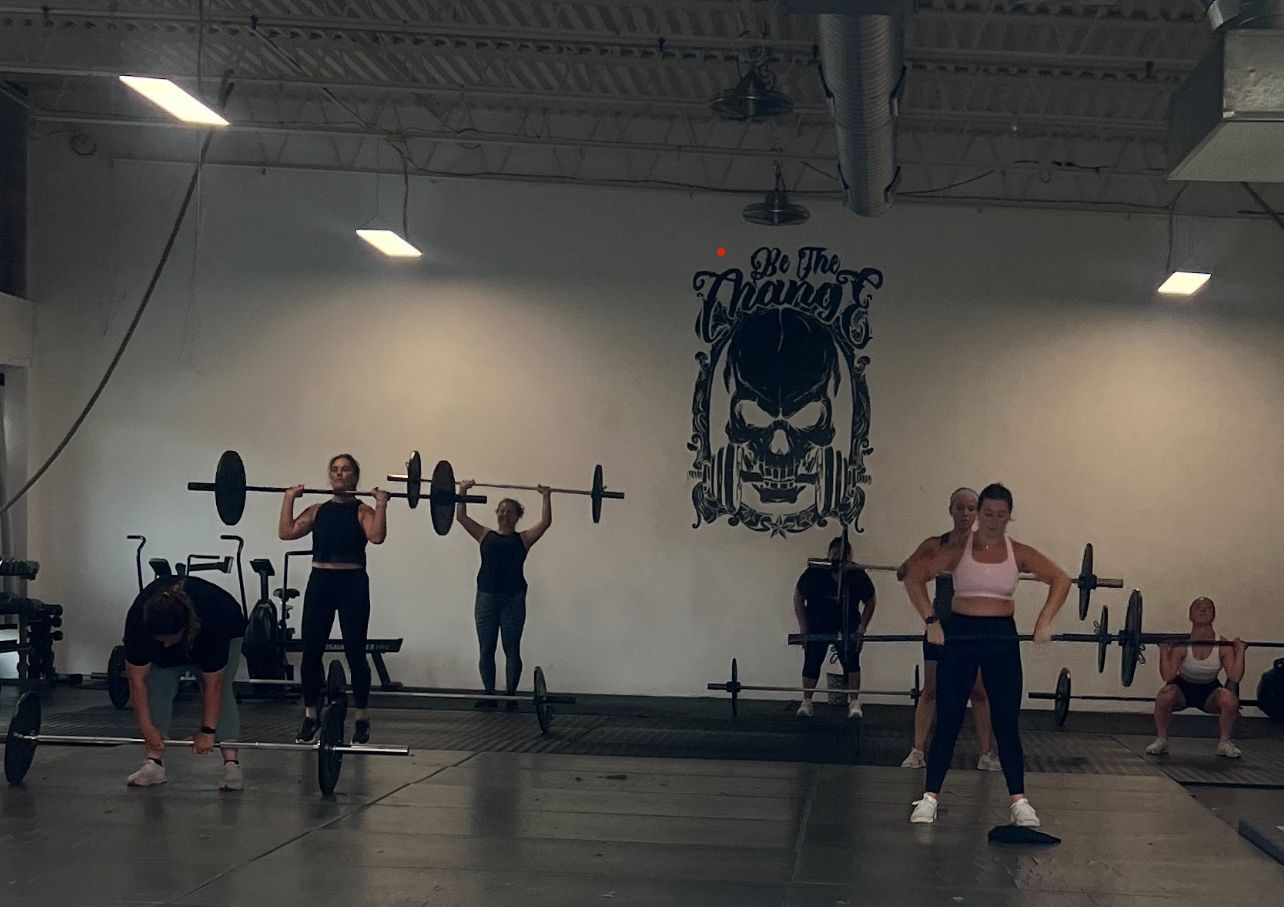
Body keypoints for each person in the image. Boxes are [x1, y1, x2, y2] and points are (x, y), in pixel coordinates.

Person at [903, 483, 1070, 827]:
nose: (994, 521)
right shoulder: (958, 549)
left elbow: (1060, 579)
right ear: (978, 515)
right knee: (949, 717)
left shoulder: (1018, 551)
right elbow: (914, 578)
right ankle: (929, 797)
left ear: (1010, 516)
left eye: (1001, 515)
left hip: (1001, 638)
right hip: (961, 634)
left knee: (1006, 721)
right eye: (988, 514)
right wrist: (931, 620)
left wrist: (1044, 620)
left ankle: (1019, 801)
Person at [279, 453, 388, 744]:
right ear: (330, 476)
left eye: (345, 470)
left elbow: (376, 538)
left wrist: (381, 503)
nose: (339, 474)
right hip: (321, 582)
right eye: (335, 470)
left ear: (355, 476)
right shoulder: (317, 510)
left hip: (352, 583)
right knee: (311, 651)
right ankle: (310, 714)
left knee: (356, 650)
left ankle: (362, 716)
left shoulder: (362, 510)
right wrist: (289, 498)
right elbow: (286, 532)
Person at [896, 488, 999, 771]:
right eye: (959, 508)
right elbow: (906, 572)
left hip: (974, 628)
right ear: (951, 510)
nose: (965, 514)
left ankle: (986, 754)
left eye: (970, 509)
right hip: (939, 626)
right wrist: (909, 567)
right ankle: (917, 752)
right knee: (931, 689)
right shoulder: (935, 545)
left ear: (977, 512)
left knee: (978, 691)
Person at [122, 576, 247, 790]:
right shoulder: (138, 622)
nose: (166, 645)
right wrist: (147, 728)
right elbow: (137, 681)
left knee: (223, 690)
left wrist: (208, 732)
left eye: (171, 639)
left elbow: (213, 685)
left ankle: (231, 766)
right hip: (178, 634)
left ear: (186, 627)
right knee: (157, 688)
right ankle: (154, 764)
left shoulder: (212, 622)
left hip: (228, 625)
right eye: (160, 640)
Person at [455, 482, 552, 706]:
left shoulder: (523, 539)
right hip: (486, 597)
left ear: (517, 516)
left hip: (513, 599)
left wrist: (546, 496)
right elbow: (461, 517)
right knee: (486, 648)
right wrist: (462, 491)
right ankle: (489, 694)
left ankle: (510, 696)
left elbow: (546, 522)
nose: (504, 515)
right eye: (501, 511)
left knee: (511, 648)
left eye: (509, 512)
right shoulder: (484, 535)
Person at [1145, 597, 1247, 758]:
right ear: (1190, 615)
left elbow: (1234, 676)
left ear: (1213, 615)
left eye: (1208, 607)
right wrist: (1164, 652)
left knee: (1230, 700)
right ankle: (1161, 740)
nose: (1203, 610)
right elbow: (1168, 675)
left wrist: (1240, 651)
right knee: (1164, 696)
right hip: (1182, 689)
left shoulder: (1222, 645)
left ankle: (1224, 743)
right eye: (1198, 607)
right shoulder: (1182, 645)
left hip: (1209, 690)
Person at [793, 536, 876, 719]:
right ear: (829, 555)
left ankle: (854, 702)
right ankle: (807, 701)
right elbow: (798, 595)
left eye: (842, 556)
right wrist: (803, 627)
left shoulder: (856, 573)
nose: (838, 559)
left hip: (847, 625)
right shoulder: (815, 571)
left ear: (848, 557)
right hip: (818, 624)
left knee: (852, 662)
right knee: (812, 661)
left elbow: (871, 600)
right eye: (835, 555)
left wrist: (862, 627)